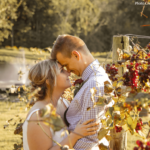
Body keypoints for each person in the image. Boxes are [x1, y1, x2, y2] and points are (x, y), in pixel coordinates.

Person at [51, 34, 113, 150]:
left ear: (76, 55)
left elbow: (89, 139)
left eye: (66, 65)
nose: (68, 71)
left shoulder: (94, 84)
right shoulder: (92, 80)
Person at [22, 59, 99, 150]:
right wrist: (75, 135)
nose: (68, 73)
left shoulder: (64, 103)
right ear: (49, 80)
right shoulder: (38, 117)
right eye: (62, 70)